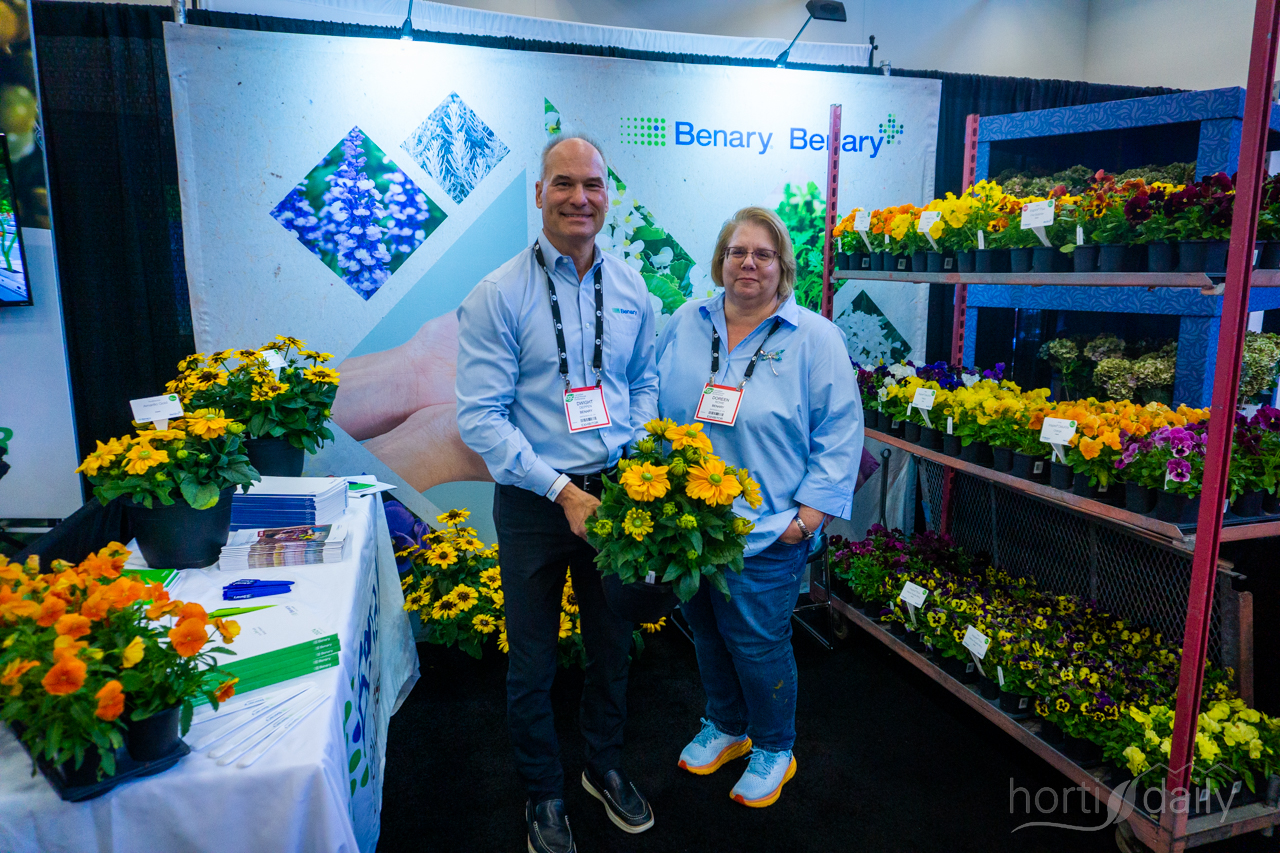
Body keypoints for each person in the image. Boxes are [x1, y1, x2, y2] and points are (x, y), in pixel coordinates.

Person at [455, 135, 659, 853]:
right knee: (534, 660)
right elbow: (481, 417)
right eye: (563, 183)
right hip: (535, 502)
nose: (580, 198)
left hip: (617, 498)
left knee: (612, 648)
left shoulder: (633, 288)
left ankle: (603, 766)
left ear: (608, 195)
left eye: (593, 184)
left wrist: (635, 457)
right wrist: (562, 490)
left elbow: (642, 381)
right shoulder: (498, 294)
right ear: (538, 193)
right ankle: (543, 791)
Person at [655, 206, 863, 808]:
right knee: (706, 632)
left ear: (782, 267)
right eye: (737, 251)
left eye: (763, 254)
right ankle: (727, 726)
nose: (748, 263)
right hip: (691, 524)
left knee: (757, 642)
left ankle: (775, 746)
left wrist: (807, 519)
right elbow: (652, 396)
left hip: (768, 528)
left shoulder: (814, 337)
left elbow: (840, 431)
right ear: (720, 260)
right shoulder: (685, 321)